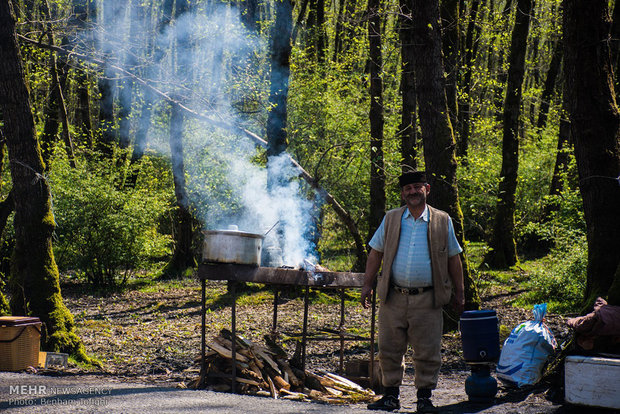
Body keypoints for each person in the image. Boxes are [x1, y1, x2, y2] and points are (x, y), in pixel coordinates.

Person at [361, 171, 465, 413]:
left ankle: (424, 398)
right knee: (388, 349)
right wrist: (367, 285)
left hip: (428, 298)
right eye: (408, 189)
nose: (413, 192)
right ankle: (390, 397)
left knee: (427, 350)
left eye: (418, 187)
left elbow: (453, 258)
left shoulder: (442, 220)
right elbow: (375, 253)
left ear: (427, 189)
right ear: (402, 193)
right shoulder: (391, 218)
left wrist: (459, 292)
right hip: (393, 297)